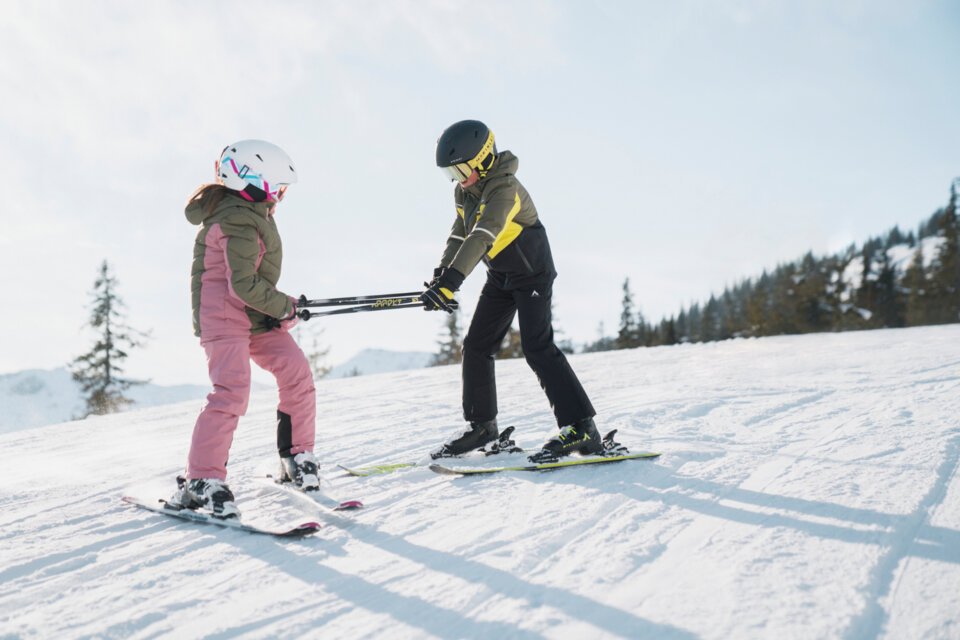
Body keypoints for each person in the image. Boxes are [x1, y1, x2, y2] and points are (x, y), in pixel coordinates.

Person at [421, 120, 603, 463]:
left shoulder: (505, 188)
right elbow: (459, 234)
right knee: (476, 347)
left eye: (461, 169)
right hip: (501, 276)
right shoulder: (464, 192)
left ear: (484, 158)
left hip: (532, 273)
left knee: (537, 347)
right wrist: (441, 276)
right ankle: (483, 427)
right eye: (451, 174)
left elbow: (483, 234)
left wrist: (454, 280)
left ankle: (582, 427)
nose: (458, 179)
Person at [170, 140, 319, 519]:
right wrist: (285, 306)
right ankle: (201, 479)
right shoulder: (236, 217)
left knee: (296, 370)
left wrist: (280, 309)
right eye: (277, 186)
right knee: (232, 391)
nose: (280, 195)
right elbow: (242, 285)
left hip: (252, 316)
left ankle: (297, 455)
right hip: (222, 315)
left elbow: (252, 287)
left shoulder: (254, 212)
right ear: (251, 180)